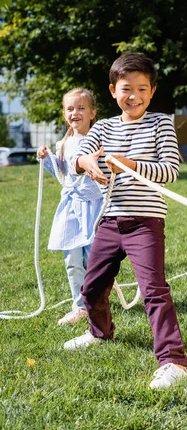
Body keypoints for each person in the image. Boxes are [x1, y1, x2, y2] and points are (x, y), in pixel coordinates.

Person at [63, 53, 187, 390]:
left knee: (154, 291)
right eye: (126, 89)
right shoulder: (102, 127)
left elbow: (170, 170)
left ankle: (173, 361)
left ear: (153, 91)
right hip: (109, 220)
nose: (134, 96)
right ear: (112, 91)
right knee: (91, 288)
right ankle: (100, 333)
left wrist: (129, 163)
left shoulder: (161, 123)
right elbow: (78, 155)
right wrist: (87, 161)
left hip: (145, 220)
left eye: (142, 89)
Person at [37, 88, 103, 325]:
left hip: (96, 207)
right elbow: (62, 175)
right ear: (65, 114)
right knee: (72, 259)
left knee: (93, 259)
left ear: (92, 113)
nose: (75, 112)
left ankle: (97, 301)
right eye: (70, 109)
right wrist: (47, 159)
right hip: (71, 208)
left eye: (81, 108)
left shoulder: (100, 141)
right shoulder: (62, 144)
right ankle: (80, 306)